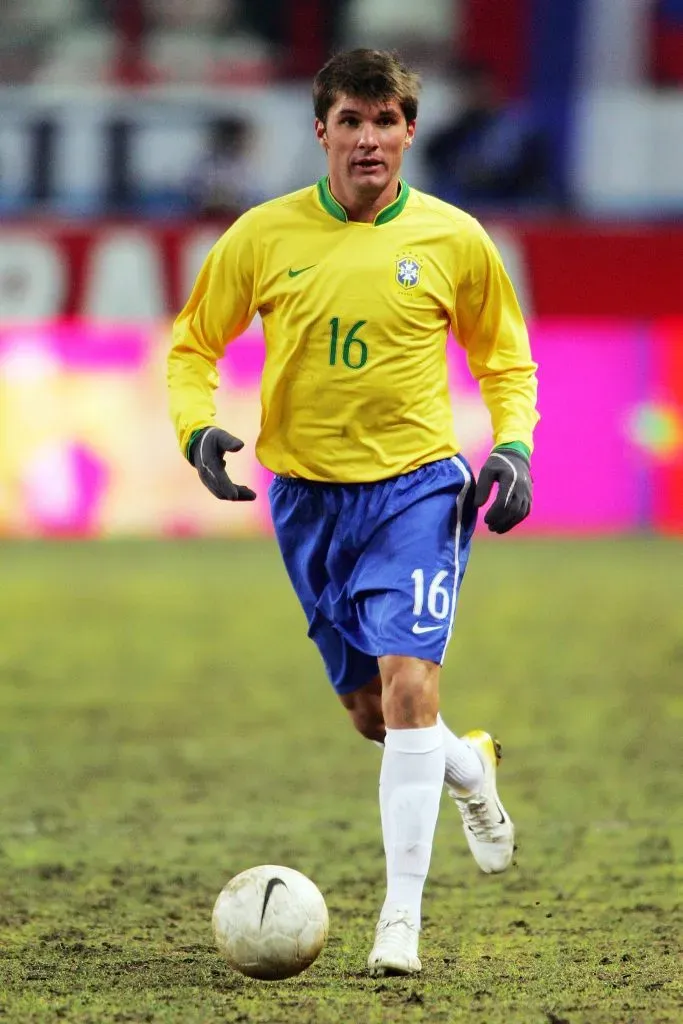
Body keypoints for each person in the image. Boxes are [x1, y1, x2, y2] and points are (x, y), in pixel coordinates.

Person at [167, 48, 538, 977]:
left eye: (386, 121)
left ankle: (398, 925)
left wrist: (515, 444)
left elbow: (506, 361)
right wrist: (194, 429)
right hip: (305, 501)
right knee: (377, 718)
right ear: (322, 129)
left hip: (417, 490)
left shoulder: (454, 239)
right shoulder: (262, 235)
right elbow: (191, 346)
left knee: (412, 690)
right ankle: (468, 766)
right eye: (352, 121)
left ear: (408, 131)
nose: (369, 139)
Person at [424, 61, 552, 209]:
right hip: (464, 206)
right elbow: (432, 156)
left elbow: (509, 171)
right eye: (464, 90)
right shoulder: (456, 131)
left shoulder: (515, 127)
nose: (470, 96)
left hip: (509, 207)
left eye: (476, 88)